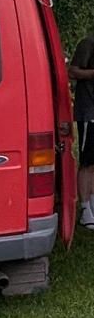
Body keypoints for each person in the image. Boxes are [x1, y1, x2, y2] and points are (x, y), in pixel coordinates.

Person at [69, 35, 94, 228]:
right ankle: (85, 209)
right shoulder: (88, 43)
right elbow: (73, 71)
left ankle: (92, 204)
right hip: (89, 111)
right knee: (87, 161)